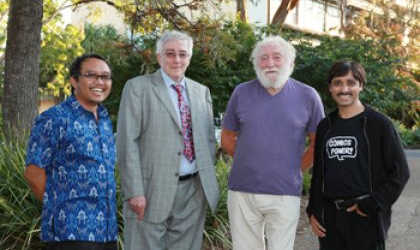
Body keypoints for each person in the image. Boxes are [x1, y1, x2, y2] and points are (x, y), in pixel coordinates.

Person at [116, 30, 219, 250]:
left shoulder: (202, 92)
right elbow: (127, 143)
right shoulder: (137, 88)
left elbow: (208, 141)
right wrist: (135, 191)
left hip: (193, 192)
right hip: (150, 190)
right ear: (159, 57)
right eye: (170, 53)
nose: (177, 59)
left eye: (182, 54)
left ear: (189, 57)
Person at [221, 35, 325, 250]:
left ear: (290, 63)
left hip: (285, 191)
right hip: (242, 191)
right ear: (256, 63)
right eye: (263, 58)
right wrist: (250, 162)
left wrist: (294, 170)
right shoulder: (241, 92)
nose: (270, 63)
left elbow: (317, 144)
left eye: (277, 57)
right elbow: (227, 139)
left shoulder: (308, 95)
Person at [306, 60, 410, 250]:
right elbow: (320, 172)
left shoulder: (378, 124)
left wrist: (373, 204)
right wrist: (313, 209)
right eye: (338, 83)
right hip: (330, 219)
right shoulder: (325, 126)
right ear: (330, 87)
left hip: (365, 217)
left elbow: (400, 173)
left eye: (351, 82)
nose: (344, 89)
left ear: (360, 86)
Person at [24, 53, 118, 250]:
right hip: (70, 231)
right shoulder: (55, 118)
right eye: (91, 75)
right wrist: (61, 207)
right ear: (74, 80)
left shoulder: (104, 119)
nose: (99, 82)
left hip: (107, 231)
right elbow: (34, 174)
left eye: (105, 76)